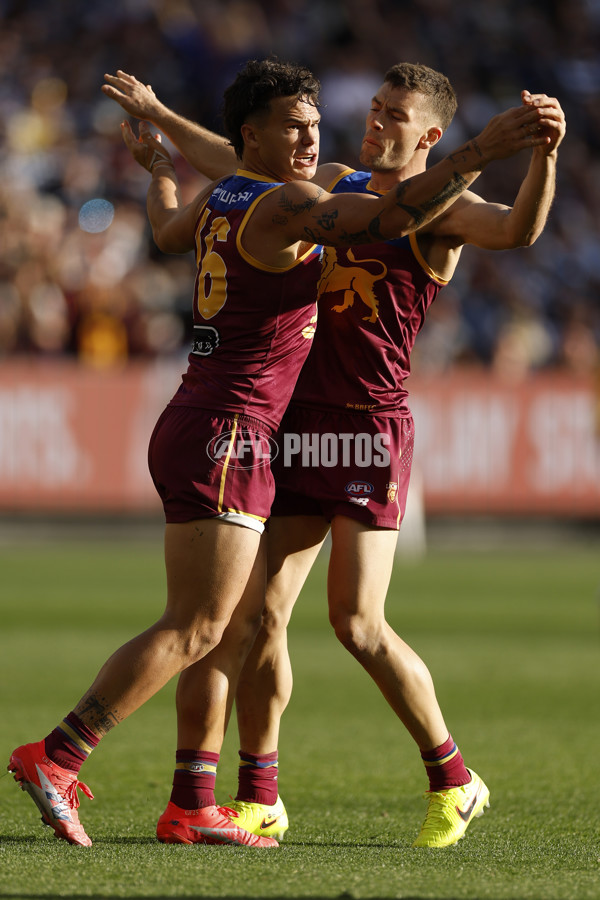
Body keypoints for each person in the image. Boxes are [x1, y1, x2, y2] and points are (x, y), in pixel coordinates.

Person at [7, 58, 545, 851]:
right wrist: (479, 148)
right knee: (231, 621)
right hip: (264, 423)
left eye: (390, 114)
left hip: (353, 425)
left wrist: (162, 151)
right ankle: (222, 789)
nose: (358, 125)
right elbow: (301, 189)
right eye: (370, 108)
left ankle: (446, 777)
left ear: (428, 133)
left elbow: (513, 230)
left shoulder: (401, 203)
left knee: (342, 623)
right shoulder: (318, 186)